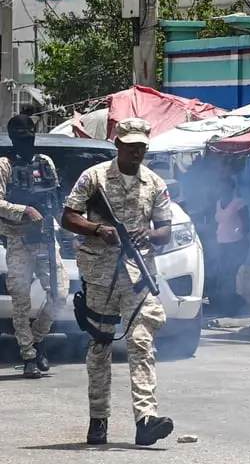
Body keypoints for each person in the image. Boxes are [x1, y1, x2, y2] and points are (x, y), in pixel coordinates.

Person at [62, 118, 175, 446]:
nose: (137, 151)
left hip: (137, 276)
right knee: (100, 346)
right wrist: (98, 229)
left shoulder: (154, 183)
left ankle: (146, 420)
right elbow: (68, 216)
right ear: (118, 145)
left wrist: (149, 233)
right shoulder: (94, 177)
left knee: (141, 341)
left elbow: (165, 229)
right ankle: (98, 418)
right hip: (99, 277)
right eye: (131, 146)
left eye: (142, 146)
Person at [0, 114, 69, 378]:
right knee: (21, 303)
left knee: (60, 295)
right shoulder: (4, 166)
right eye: (20, 131)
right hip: (18, 240)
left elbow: (55, 197)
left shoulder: (45, 162)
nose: (26, 134)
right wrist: (24, 210)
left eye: (30, 129)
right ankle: (28, 356)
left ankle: (38, 340)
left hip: (46, 238)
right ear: (11, 135)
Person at [213, 176, 250, 316]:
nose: (221, 189)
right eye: (220, 186)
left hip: (236, 244)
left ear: (231, 188)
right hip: (222, 243)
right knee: (223, 276)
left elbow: (247, 223)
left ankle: (233, 308)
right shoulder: (218, 203)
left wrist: (242, 236)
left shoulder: (239, 203)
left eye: (224, 186)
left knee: (232, 276)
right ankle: (225, 307)